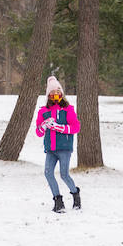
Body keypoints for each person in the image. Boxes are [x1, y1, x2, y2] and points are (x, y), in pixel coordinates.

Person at [35, 75, 81, 213]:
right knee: (48, 173)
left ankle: (76, 195)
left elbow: (76, 127)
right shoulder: (43, 111)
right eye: (53, 92)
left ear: (62, 94)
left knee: (64, 174)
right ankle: (58, 201)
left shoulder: (68, 109)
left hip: (64, 148)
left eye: (58, 92)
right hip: (51, 149)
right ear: (48, 95)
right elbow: (38, 132)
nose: (56, 95)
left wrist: (59, 127)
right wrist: (44, 125)